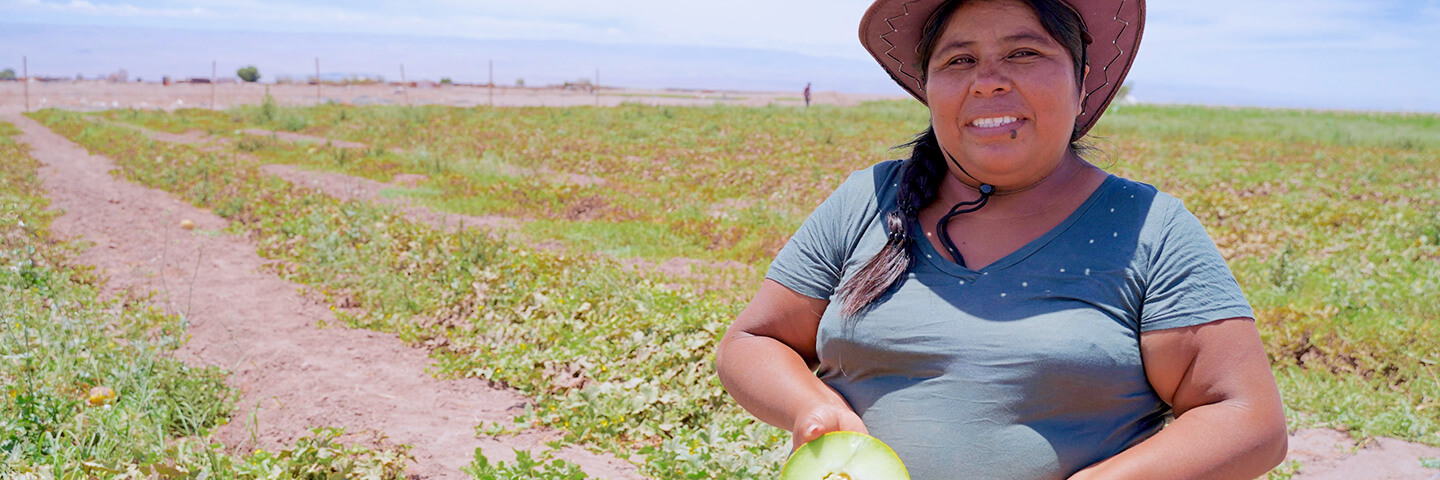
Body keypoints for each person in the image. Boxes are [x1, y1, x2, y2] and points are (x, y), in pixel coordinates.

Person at [714, 0, 1288, 479]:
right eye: (959, 59)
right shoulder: (867, 199)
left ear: (1081, 79)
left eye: (1024, 53)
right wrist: (809, 406)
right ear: (930, 87)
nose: (988, 81)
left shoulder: (1148, 227)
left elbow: (1246, 417)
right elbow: (752, 342)